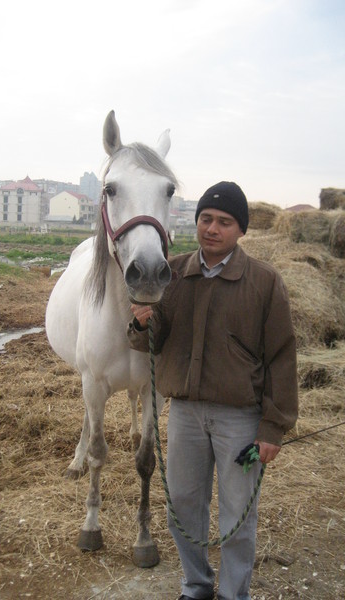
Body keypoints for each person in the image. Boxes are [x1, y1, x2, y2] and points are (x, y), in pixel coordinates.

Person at [128, 181, 298, 600]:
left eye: (224, 222)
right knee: (182, 507)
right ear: (196, 221)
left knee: (237, 516)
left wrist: (273, 428)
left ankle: (233, 593)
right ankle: (196, 585)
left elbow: (281, 356)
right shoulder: (174, 273)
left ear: (241, 230)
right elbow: (147, 343)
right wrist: (142, 323)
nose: (212, 228)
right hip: (184, 413)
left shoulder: (264, 282)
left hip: (240, 419)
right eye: (206, 219)